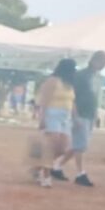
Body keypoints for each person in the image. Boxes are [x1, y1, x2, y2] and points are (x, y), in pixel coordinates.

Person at [54, 50, 105, 187]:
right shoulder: (81, 76)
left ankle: (56, 166)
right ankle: (80, 173)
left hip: (88, 113)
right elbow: (73, 96)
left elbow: (93, 97)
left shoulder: (96, 77)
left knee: (78, 145)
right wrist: (75, 115)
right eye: (103, 62)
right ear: (95, 60)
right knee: (81, 145)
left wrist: (94, 113)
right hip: (81, 113)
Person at [35, 58, 76, 188]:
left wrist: (75, 117)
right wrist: (42, 118)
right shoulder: (52, 81)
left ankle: (41, 167)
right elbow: (44, 100)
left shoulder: (69, 84)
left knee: (63, 147)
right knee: (51, 146)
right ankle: (45, 175)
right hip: (52, 114)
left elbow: (72, 102)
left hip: (65, 116)